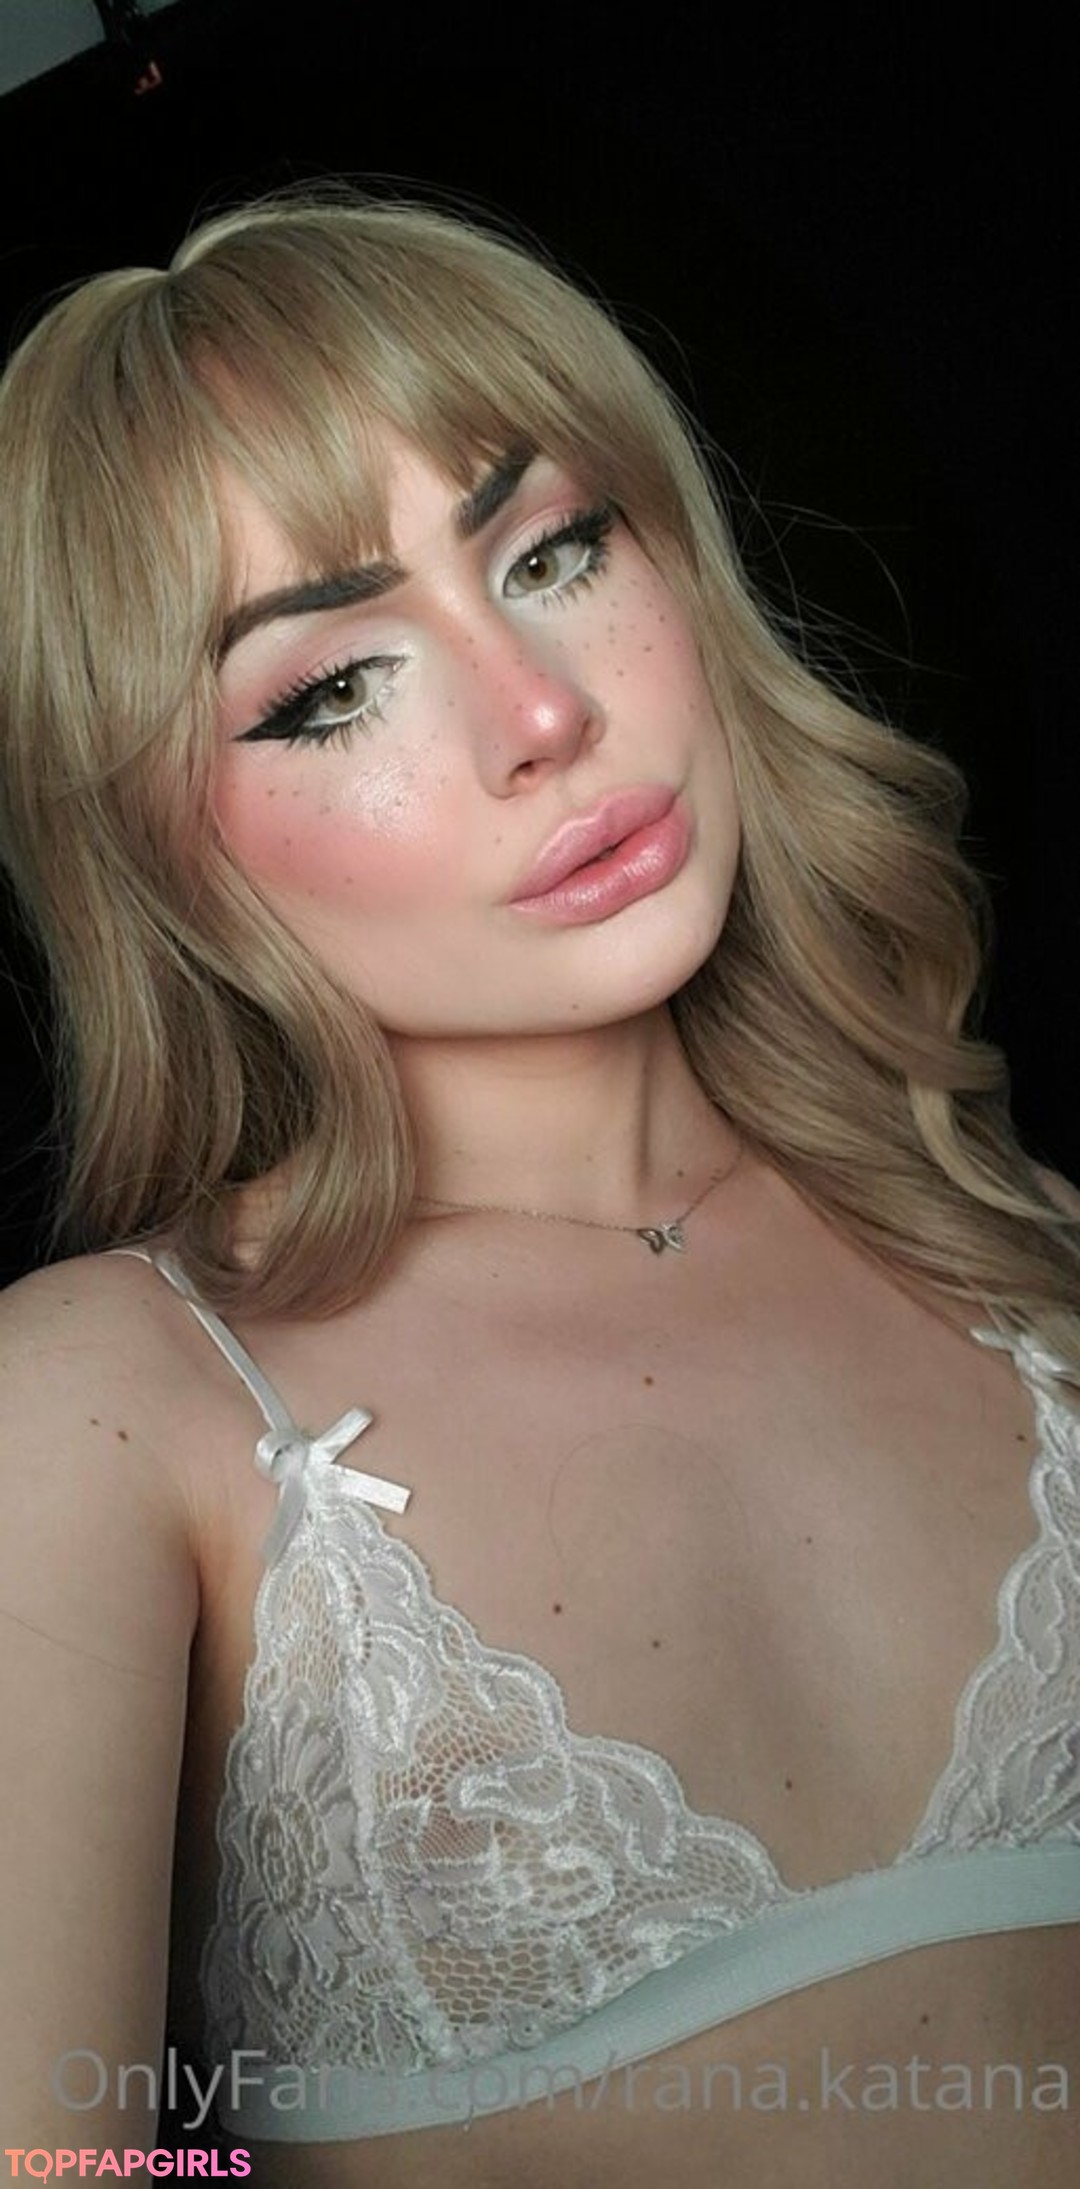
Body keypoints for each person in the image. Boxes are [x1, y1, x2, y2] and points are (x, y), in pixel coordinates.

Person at [0, 189, 1077, 2188]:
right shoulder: (108, 1409)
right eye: (331, 686)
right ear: (161, 852)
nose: (545, 716)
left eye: (554, 552)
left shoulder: (1034, 1267)